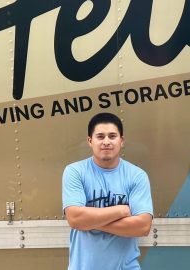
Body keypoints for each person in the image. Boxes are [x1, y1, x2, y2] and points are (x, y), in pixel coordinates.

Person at [62, 112, 153, 270]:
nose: (106, 142)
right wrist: (121, 210)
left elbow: (143, 227)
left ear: (121, 140)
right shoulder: (75, 172)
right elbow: (75, 218)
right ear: (90, 141)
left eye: (112, 136)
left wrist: (90, 222)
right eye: (100, 136)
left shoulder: (137, 176)